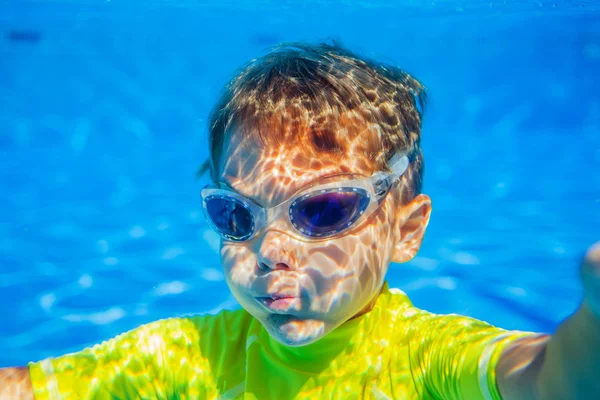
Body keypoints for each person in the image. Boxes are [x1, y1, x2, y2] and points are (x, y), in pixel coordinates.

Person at [1, 42, 600, 400]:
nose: (271, 248)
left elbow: (546, 380)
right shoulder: (200, 354)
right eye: (237, 214)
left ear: (405, 231)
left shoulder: (418, 356)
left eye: (323, 209)